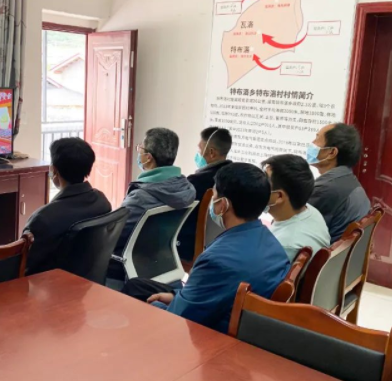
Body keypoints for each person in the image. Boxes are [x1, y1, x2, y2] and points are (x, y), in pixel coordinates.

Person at [122, 163, 290, 334]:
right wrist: (176, 296)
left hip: (209, 334)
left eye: (214, 195)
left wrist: (154, 306)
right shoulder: (273, 245)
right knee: (138, 286)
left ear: (222, 205)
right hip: (237, 319)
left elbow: (178, 318)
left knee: (135, 296)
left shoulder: (217, 260)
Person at [23, 137, 111, 275]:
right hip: (88, 280)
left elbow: (24, 265)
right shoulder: (102, 201)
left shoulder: (43, 218)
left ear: (54, 171)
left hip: (48, 284)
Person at [114, 127, 196, 256]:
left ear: (148, 158)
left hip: (134, 259)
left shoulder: (139, 197)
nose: (138, 151)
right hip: (163, 256)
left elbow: (115, 236)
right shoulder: (187, 188)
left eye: (140, 148)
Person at [307, 123, 371, 243]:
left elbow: (293, 227)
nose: (312, 143)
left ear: (332, 152)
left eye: (317, 138)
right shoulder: (347, 178)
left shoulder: (325, 189)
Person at [261, 154, 330, 261]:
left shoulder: (284, 246)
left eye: (265, 181)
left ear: (279, 196)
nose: (258, 184)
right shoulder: (310, 211)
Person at [178, 127, 233, 260]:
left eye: (199, 149)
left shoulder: (197, 182)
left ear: (212, 153)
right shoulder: (236, 176)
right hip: (227, 244)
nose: (198, 154)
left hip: (194, 248)